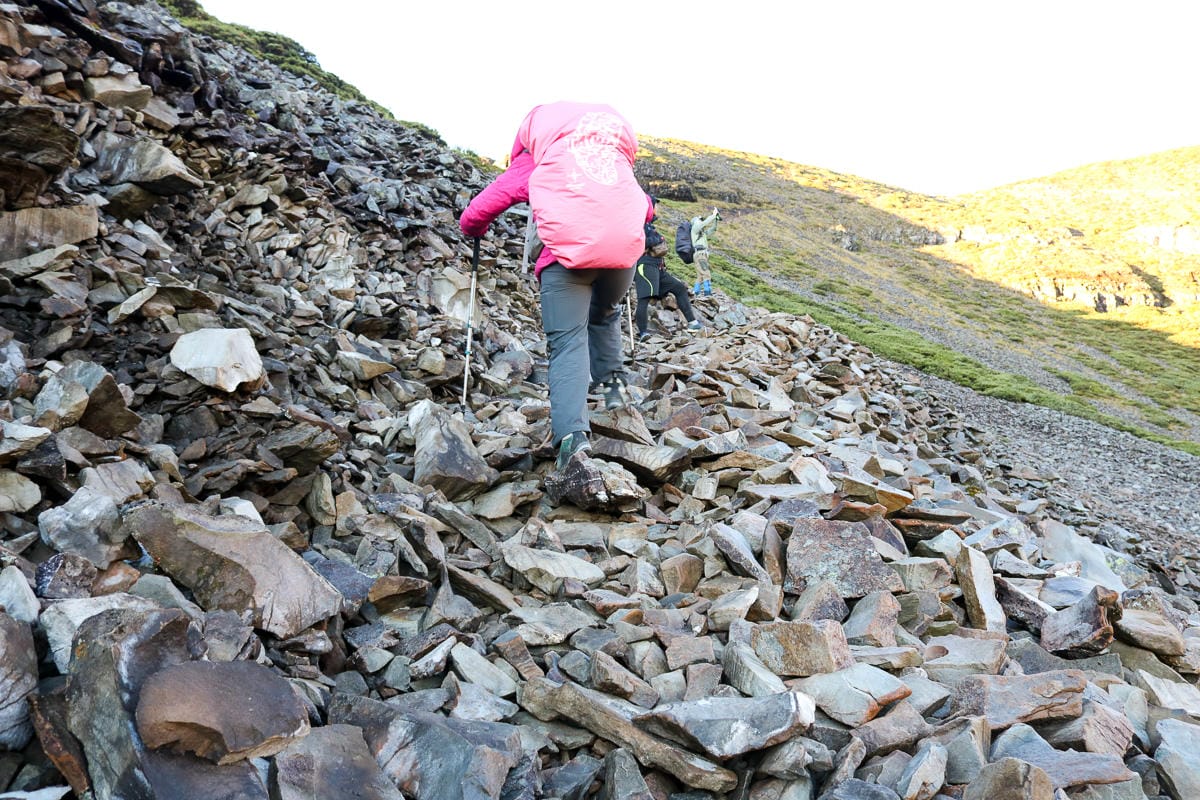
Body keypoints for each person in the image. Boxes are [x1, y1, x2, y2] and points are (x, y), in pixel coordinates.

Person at [459, 102, 652, 470]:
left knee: (567, 341)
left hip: (566, 261)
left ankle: (573, 441)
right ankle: (615, 399)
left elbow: (487, 204)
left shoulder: (541, 155)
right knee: (605, 317)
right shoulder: (611, 156)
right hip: (621, 259)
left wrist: (472, 229)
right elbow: (645, 208)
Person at [635, 204, 702, 340]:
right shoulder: (638, 222)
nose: (657, 208)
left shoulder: (648, 225)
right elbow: (638, 241)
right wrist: (658, 239)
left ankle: (693, 323)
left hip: (657, 267)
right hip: (645, 266)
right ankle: (643, 332)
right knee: (644, 299)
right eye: (655, 206)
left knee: (679, 288)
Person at [690, 207, 722, 296]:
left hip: (701, 254)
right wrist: (713, 215)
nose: (701, 221)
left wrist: (716, 219)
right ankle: (708, 293)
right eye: (699, 220)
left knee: (700, 275)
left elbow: (713, 229)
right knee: (706, 272)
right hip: (700, 254)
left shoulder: (702, 234)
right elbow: (703, 224)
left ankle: (695, 292)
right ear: (696, 221)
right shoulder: (695, 229)